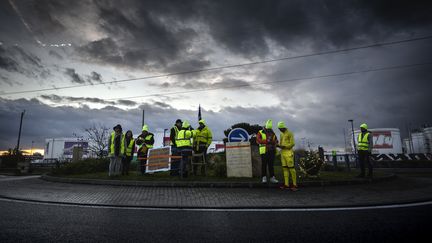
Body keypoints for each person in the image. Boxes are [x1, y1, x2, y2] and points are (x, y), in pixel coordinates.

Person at [277, 121, 297, 191]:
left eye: (280, 128)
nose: (279, 130)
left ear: (283, 127)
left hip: (289, 153)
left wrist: (284, 147)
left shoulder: (290, 133)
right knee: (285, 169)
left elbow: (292, 144)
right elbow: (281, 143)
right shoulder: (281, 134)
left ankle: (294, 184)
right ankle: (286, 184)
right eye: (279, 128)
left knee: (291, 169)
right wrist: (278, 145)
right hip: (283, 153)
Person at [256, 119, 279, 184]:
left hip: (272, 150)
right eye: (267, 128)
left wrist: (275, 142)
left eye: (270, 129)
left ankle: (272, 177)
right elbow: (258, 140)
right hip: (264, 151)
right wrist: (268, 141)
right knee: (264, 164)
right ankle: (264, 177)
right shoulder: (260, 132)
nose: (269, 130)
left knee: (271, 165)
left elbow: (276, 141)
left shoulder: (273, 133)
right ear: (265, 127)